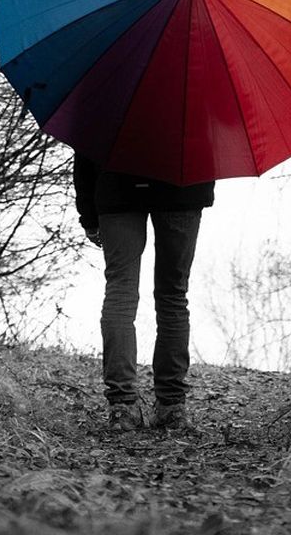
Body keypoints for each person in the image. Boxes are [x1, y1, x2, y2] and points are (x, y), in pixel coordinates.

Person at [73, 153, 214, 432]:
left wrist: (89, 214)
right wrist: (200, 190)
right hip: (182, 189)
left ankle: (122, 407)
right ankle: (172, 408)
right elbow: (211, 142)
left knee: (120, 293)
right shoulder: (196, 107)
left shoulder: (104, 105)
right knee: (173, 295)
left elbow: (86, 149)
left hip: (117, 188)